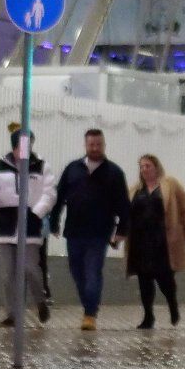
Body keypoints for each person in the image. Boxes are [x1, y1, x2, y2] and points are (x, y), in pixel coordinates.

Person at [51, 128, 129, 330]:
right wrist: (54, 221)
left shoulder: (114, 173)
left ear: (104, 145)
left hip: (99, 233)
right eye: (91, 144)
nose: (95, 148)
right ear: (85, 145)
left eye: (98, 144)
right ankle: (89, 304)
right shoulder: (72, 169)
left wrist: (121, 230)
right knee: (77, 272)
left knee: (93, 272)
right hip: (74, 231)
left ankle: (90, 314)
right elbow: (59, 197)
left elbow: (123, 205)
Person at [0, 125, 53, 329]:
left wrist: (37, 212)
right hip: (6, 227)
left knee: (30, 269)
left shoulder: (41, 166)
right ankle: (13, 313)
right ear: (14, 146)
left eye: (28, 144)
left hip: (30, 227)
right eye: (21, 145)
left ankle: (40, 301)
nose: (25, 149)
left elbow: (49, 193)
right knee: (8, 274)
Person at [125, 153, 185, 329]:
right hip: (140, 242)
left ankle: (173, 305)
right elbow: (126, 214)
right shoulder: (134, 190)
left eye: (148, 165)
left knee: (165, 279)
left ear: (156, 167)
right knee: (144, 280)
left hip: (163, 241)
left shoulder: (170, 185)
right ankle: (148, 316)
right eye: (141, 166)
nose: (144, 169)